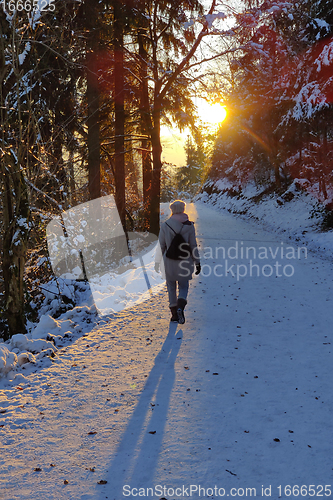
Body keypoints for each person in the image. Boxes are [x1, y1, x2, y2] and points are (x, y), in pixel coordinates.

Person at [154, 200, 201, 324]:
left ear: (172, 210)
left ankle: (174, 314)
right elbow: (193, 245)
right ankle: (181, 306)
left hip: (169, 261)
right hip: (184, 262)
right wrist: (197, 262)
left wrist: (157, 261)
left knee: (171, 287)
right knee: (184, 286)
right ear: (183, 209)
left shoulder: (165, 225)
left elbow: (161, 245)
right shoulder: (189, 226)